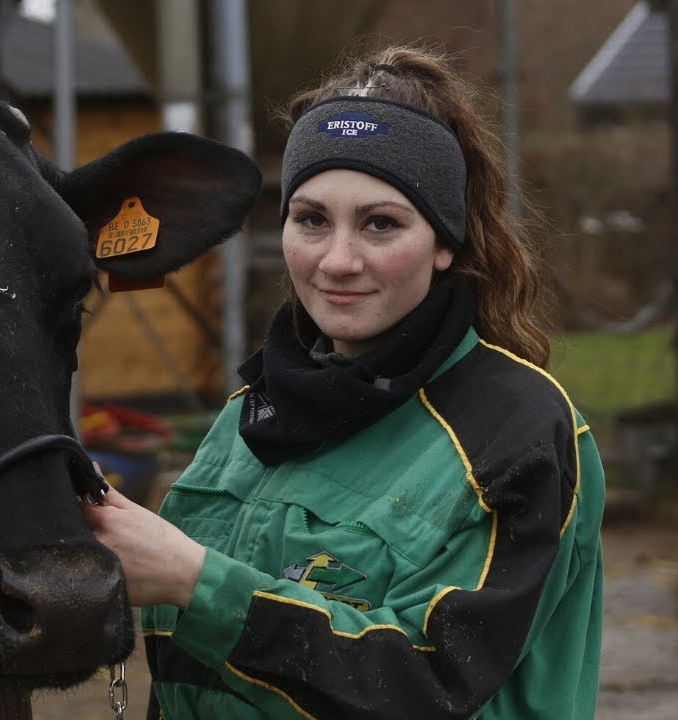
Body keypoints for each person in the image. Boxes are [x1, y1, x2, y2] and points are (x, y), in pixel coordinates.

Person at [83, 43, 605, 719]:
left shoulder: (519, 433)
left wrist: (195, 582)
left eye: (381, 224)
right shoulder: (246, 422)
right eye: (312, 220)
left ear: (446, 241)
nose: (338, 260)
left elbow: (429, 684)